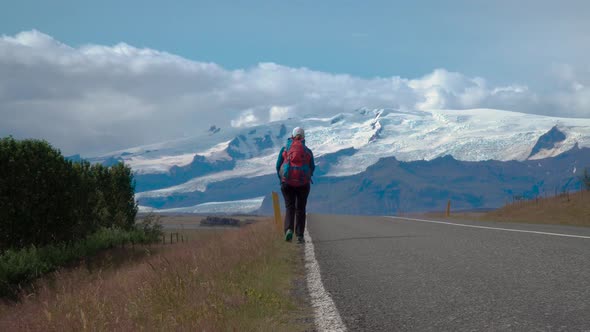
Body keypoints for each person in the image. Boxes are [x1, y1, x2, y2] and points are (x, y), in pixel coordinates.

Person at [276, 127, 315, 243]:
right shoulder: (307, 151)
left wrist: (282, 179)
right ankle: (299, 236)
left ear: (292, 136)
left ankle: (289, 230)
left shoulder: (284, 149)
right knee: (301, 208)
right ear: (303, 137)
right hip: (303, 183)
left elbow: (278, 166)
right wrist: (307, 177)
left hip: (287, 183)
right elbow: (312, 167)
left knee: (290, 207)